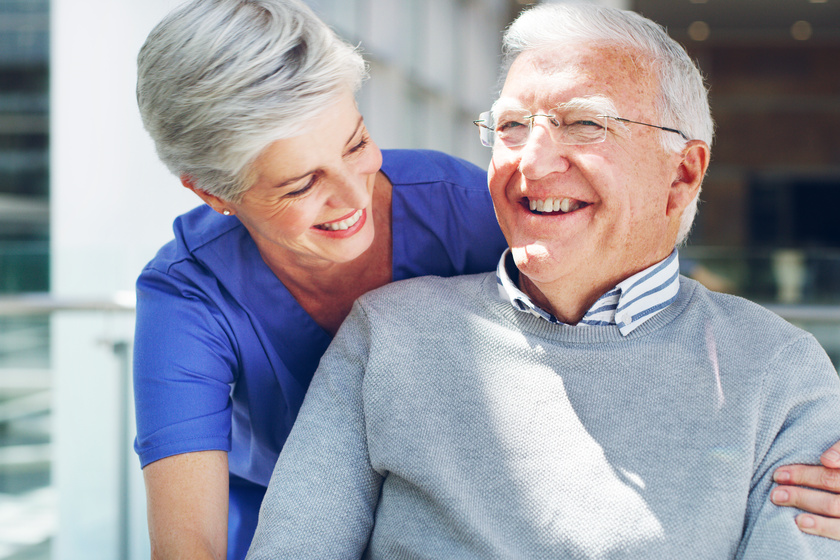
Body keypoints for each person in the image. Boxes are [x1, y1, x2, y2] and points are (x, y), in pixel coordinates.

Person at [245, 4, 840, 558]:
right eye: (511, 127)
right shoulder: (389, 336)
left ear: (682, 176)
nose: (530, 162)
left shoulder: (779, 374)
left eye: (583, 123)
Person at [131, 1, 508, 559]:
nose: (356, 197)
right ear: (215, 195)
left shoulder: (470, 215)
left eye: (356, 144)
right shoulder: (189, 294)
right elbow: (189, 548)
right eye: (302, 184)